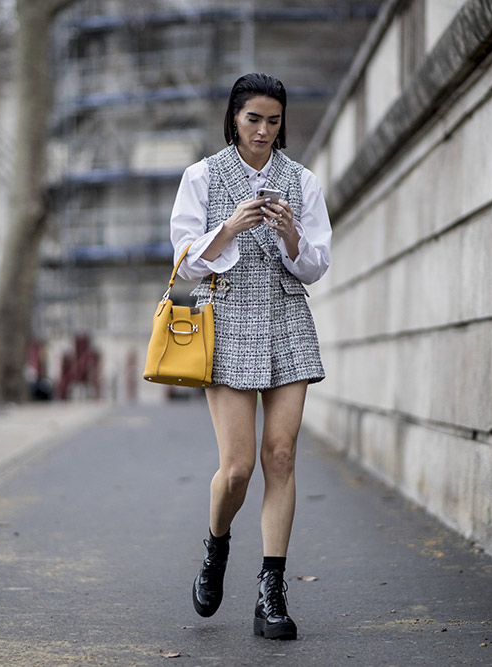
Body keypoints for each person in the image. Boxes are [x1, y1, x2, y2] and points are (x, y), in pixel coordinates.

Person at [169, 72, 331, 640]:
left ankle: (272, 592)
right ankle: (216, 549)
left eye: (274, 120)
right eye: (253, 118)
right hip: (227, 318)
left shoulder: (302, 181)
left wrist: (291, 238)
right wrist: (229, 227)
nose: (264, 130)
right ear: (234, 118)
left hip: (287, 319)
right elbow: (185, 262)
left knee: (280, 457)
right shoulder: (202, 176)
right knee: (237, 469)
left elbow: (316, 264)